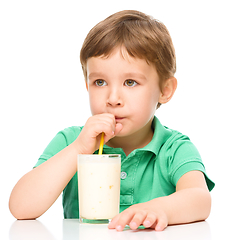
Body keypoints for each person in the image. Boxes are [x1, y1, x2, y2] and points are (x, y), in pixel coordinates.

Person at [9, 10, 214, 231]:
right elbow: (21, 208)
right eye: (99, 82)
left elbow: (200, 199)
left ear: (165, 90)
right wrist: (78, 149)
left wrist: (159, 208)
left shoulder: (174, 148)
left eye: (130, 82)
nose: (113, 99)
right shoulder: (70, 141)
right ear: (87, 85)